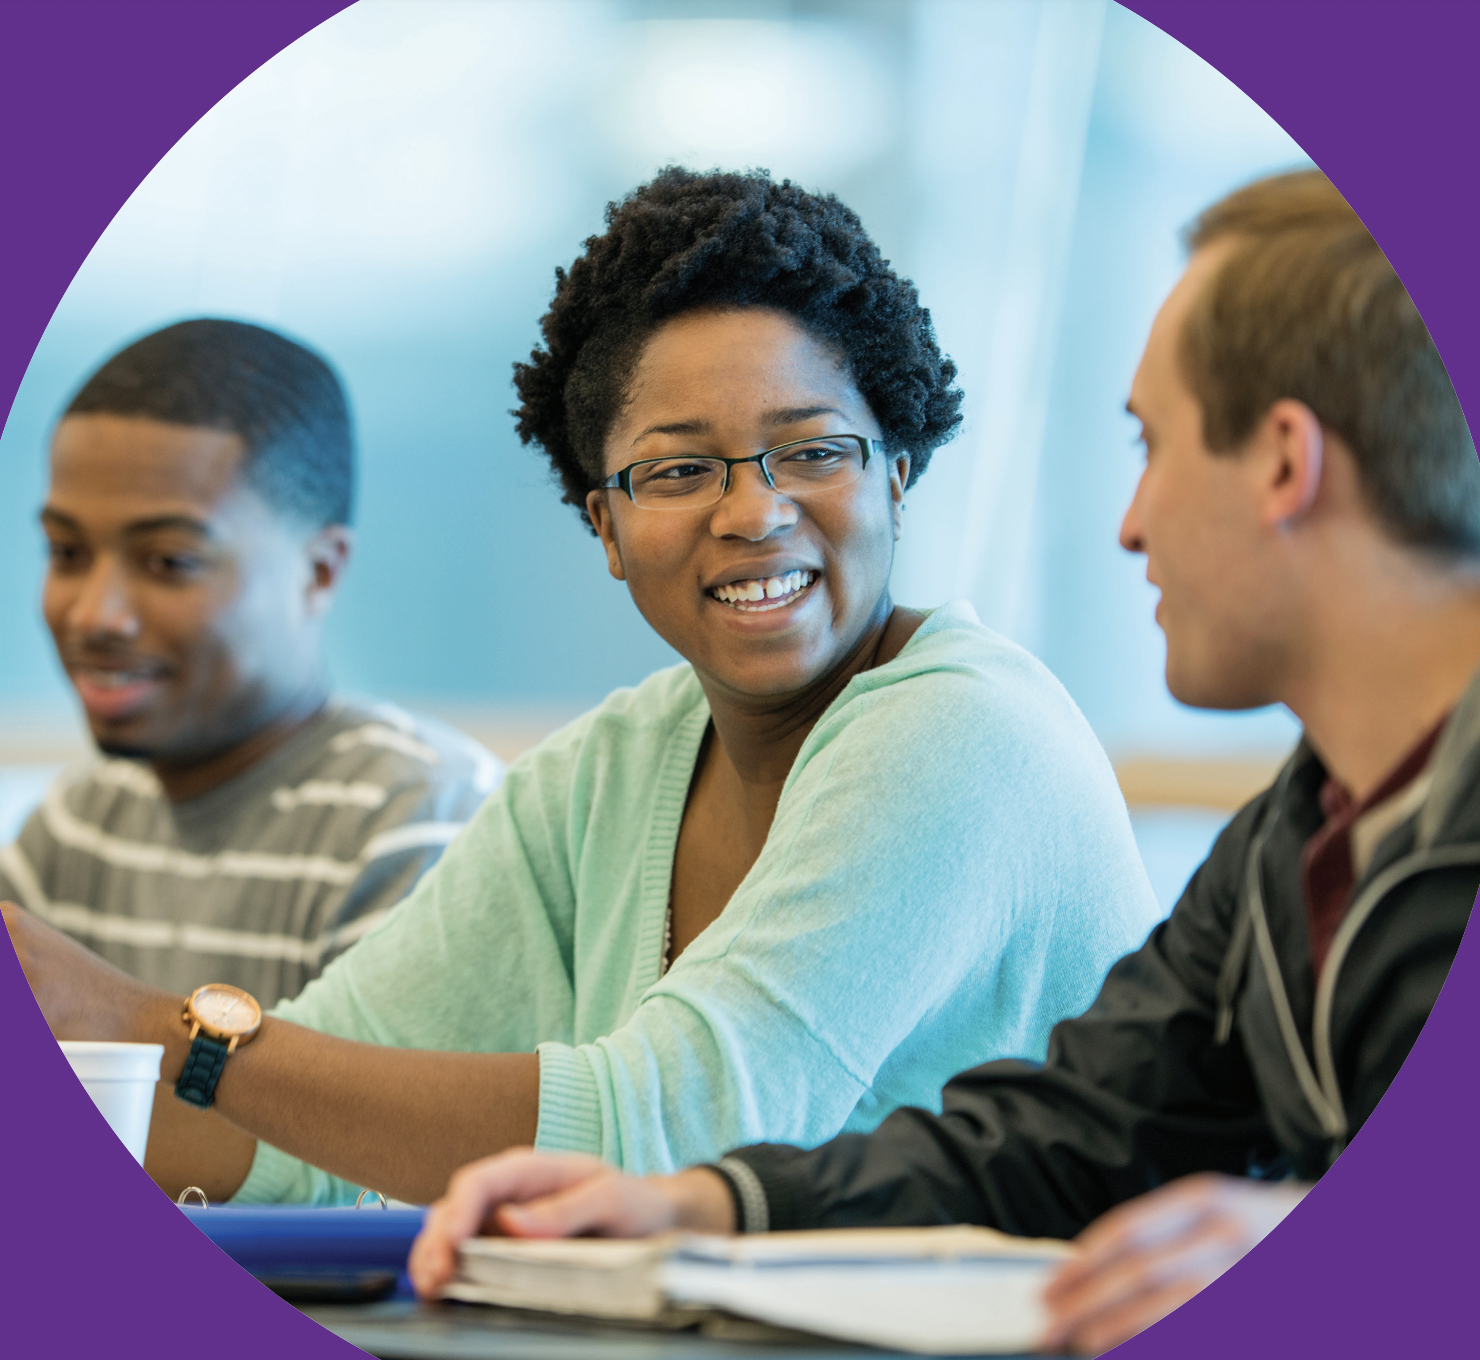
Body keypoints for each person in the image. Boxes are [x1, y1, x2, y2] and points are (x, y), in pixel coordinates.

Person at [406, 169, 1480, 1354]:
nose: (1129, 523)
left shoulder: (970, 725)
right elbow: (1065, 1133)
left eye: (1151, 444)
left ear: (1281, 463)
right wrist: (713, 1204)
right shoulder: (1295, 838)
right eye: (680, 469)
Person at [5, 170, 1160, 1207]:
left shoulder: (965, 730)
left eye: (813, 450)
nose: (754, 511)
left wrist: (156, 1028)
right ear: (604, 525)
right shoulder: (598, 777)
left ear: (896, 473)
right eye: (678, 469)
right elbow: (299, 1140)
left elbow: (674, 1132)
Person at [0, 320, 499, 1009]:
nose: (94, 615)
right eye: (67, 553)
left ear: (318, 573)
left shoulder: (418, 820)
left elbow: (374, 1089)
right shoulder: (75, 826)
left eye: (168, 562)